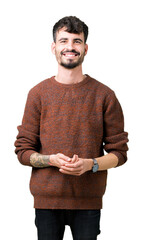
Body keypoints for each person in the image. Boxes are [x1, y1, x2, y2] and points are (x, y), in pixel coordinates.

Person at [14, 16, 128, 240]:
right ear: (54, 47)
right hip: (46, 201)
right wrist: (50, 160)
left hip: (88, 202)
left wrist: (90, 164)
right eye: (64, 40)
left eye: (77, 41)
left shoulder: (104, 95)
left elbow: (120, 153)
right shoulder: (37, 94)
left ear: (85, 48)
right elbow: (22, 151)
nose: (70, 47)